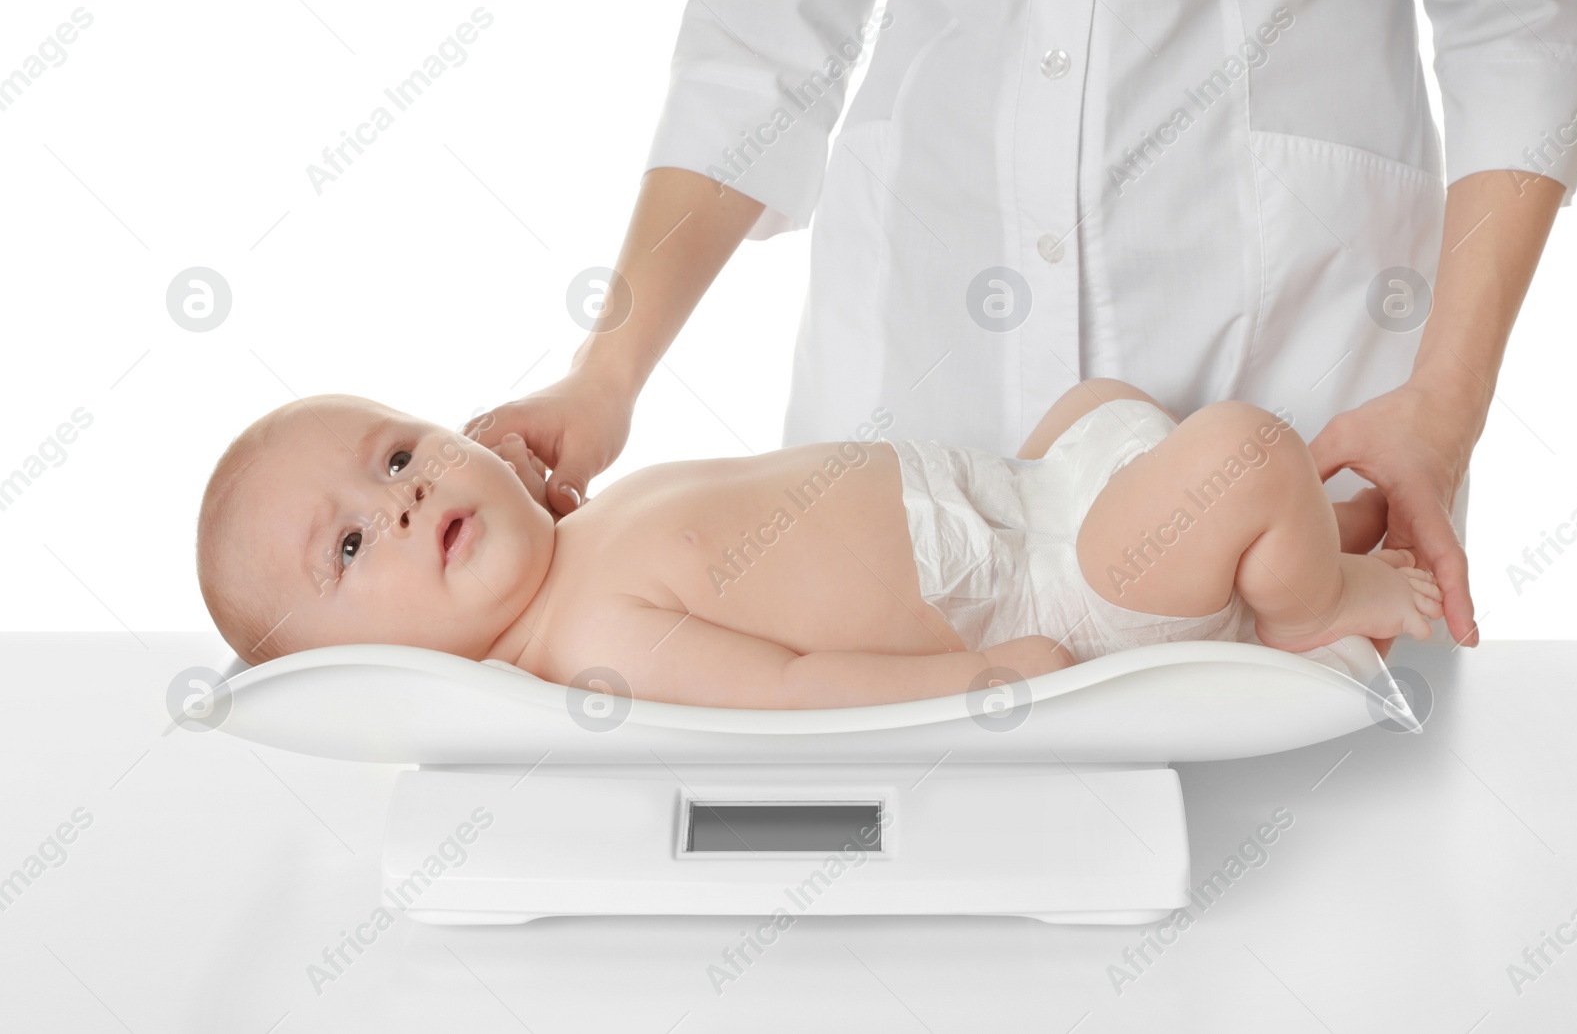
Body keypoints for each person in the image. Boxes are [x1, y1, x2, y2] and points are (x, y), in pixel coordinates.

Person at [470, 0, 1577, 658]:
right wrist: (606, 372)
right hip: (915, 382)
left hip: (1302, 400)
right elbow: (763, 25)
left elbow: (1521, 13)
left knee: (1309, 898)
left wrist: (1444, 404)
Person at [195, 383, 1442, 709]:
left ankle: (1262, 552)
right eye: (350, 545)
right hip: (1050, 589)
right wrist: (975, 682)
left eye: (399, 454)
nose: (401, 499)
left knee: (1102, 398)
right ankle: (1298, 600)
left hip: (1031, 489)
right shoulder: (593, 643)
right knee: (1245, 446)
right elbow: (787, 692)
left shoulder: (579, 551)